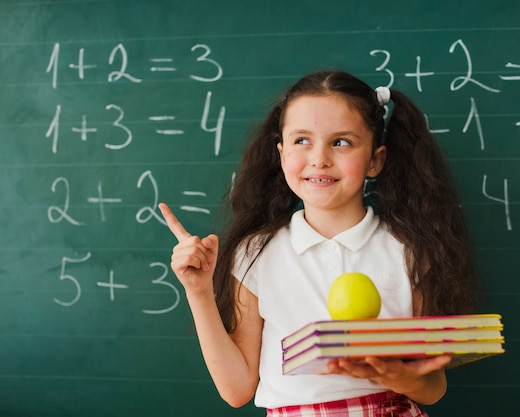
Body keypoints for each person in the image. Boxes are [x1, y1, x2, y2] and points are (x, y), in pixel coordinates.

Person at [158, 70, 476, 416]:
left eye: (341, 142)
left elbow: (433, 389)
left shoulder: (409, 251)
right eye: (302, 140)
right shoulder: (255, 255)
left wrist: (400, 375)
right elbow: (236, 391)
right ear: (281, 155)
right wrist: (199, 292)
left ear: (375, 160)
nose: (319, 158)